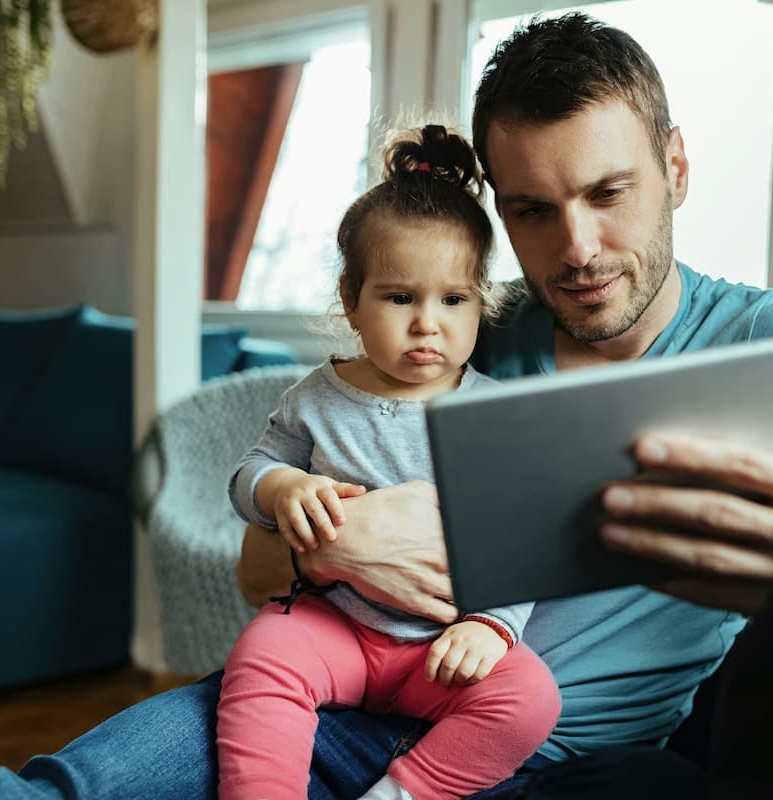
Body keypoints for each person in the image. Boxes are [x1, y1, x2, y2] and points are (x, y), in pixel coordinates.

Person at [0, 12, 773, 800]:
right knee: (60, 786)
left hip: (561, 753)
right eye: (534, 210)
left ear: (678, 170)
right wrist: (346, 535)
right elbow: (247, 576)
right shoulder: (461, 330)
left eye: (609, 192)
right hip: (349, 693)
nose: (577, 247)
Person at [216, 123, 559, 800]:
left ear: (480, 303)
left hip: (436, 649)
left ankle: (403, 793)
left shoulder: (491, 412)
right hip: (330, 624)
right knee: (258, 660)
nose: (427, 322)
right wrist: (281, 487)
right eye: (401, 298)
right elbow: (246, 478)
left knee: (530, 699)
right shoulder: (316, 397)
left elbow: (518, 535)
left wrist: (493, 626)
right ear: (351, 299)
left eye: (453, 300)